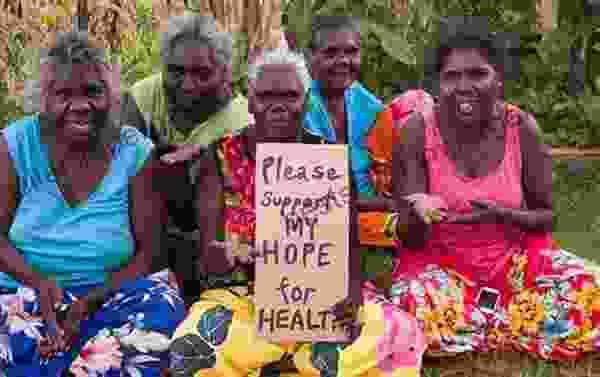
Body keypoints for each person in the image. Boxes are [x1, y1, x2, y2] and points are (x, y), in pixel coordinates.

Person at [0, 31, 185, 377]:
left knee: (158, 318)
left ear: (112, 95)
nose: (80, 105)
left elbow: (151, 253)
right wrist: (39, 283)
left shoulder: (134, 151)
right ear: (42, 99)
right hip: (25, 291)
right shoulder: (17, 143)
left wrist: (90, 299)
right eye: (64, 94)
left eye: (93, 91)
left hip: (115, 294)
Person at [167, 47, 426, 377]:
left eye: (290, 96)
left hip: (322, 300)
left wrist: (350, 289)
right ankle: (297, 361)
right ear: (249, 101)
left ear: (306, 103)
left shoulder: (327, 158)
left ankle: (285, 362)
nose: (278, 106)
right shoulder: (220, 160)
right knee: (195, 349)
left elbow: (347, 242)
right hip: (246, 300)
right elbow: (210, 252)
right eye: (266, 96)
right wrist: (225, 256)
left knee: (398, 332)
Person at [390, 17, 600, 360]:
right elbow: (408, 237)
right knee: (414, 305)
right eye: (451, 76)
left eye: (477, 74)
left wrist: (504, 215)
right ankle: (518, 324)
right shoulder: (417, 131)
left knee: (593, 289)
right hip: (442, 269)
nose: (464, 86)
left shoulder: (522, 128)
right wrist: (417, 210)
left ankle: (482, 325)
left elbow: (546, 217)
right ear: (439, 83)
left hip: (516, 266)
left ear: (497, 78)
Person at [120, 14, 251, 304]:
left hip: (206, 231)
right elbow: (120, 165)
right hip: (139, 226)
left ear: (225, 72)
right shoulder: (144, 96)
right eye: (176, 72)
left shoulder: (240, 121)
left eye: (202, 73)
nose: (188, 85)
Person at [301, 16, 399, 279]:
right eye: (331, 52)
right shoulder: (298, 111)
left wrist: (387, 202)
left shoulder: (375, 111)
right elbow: (309, 200)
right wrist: (382, 204)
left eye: (351, 52)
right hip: (316, 230)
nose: (343, 61)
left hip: (374, 225)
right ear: (309, 57)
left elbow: (390, 181)